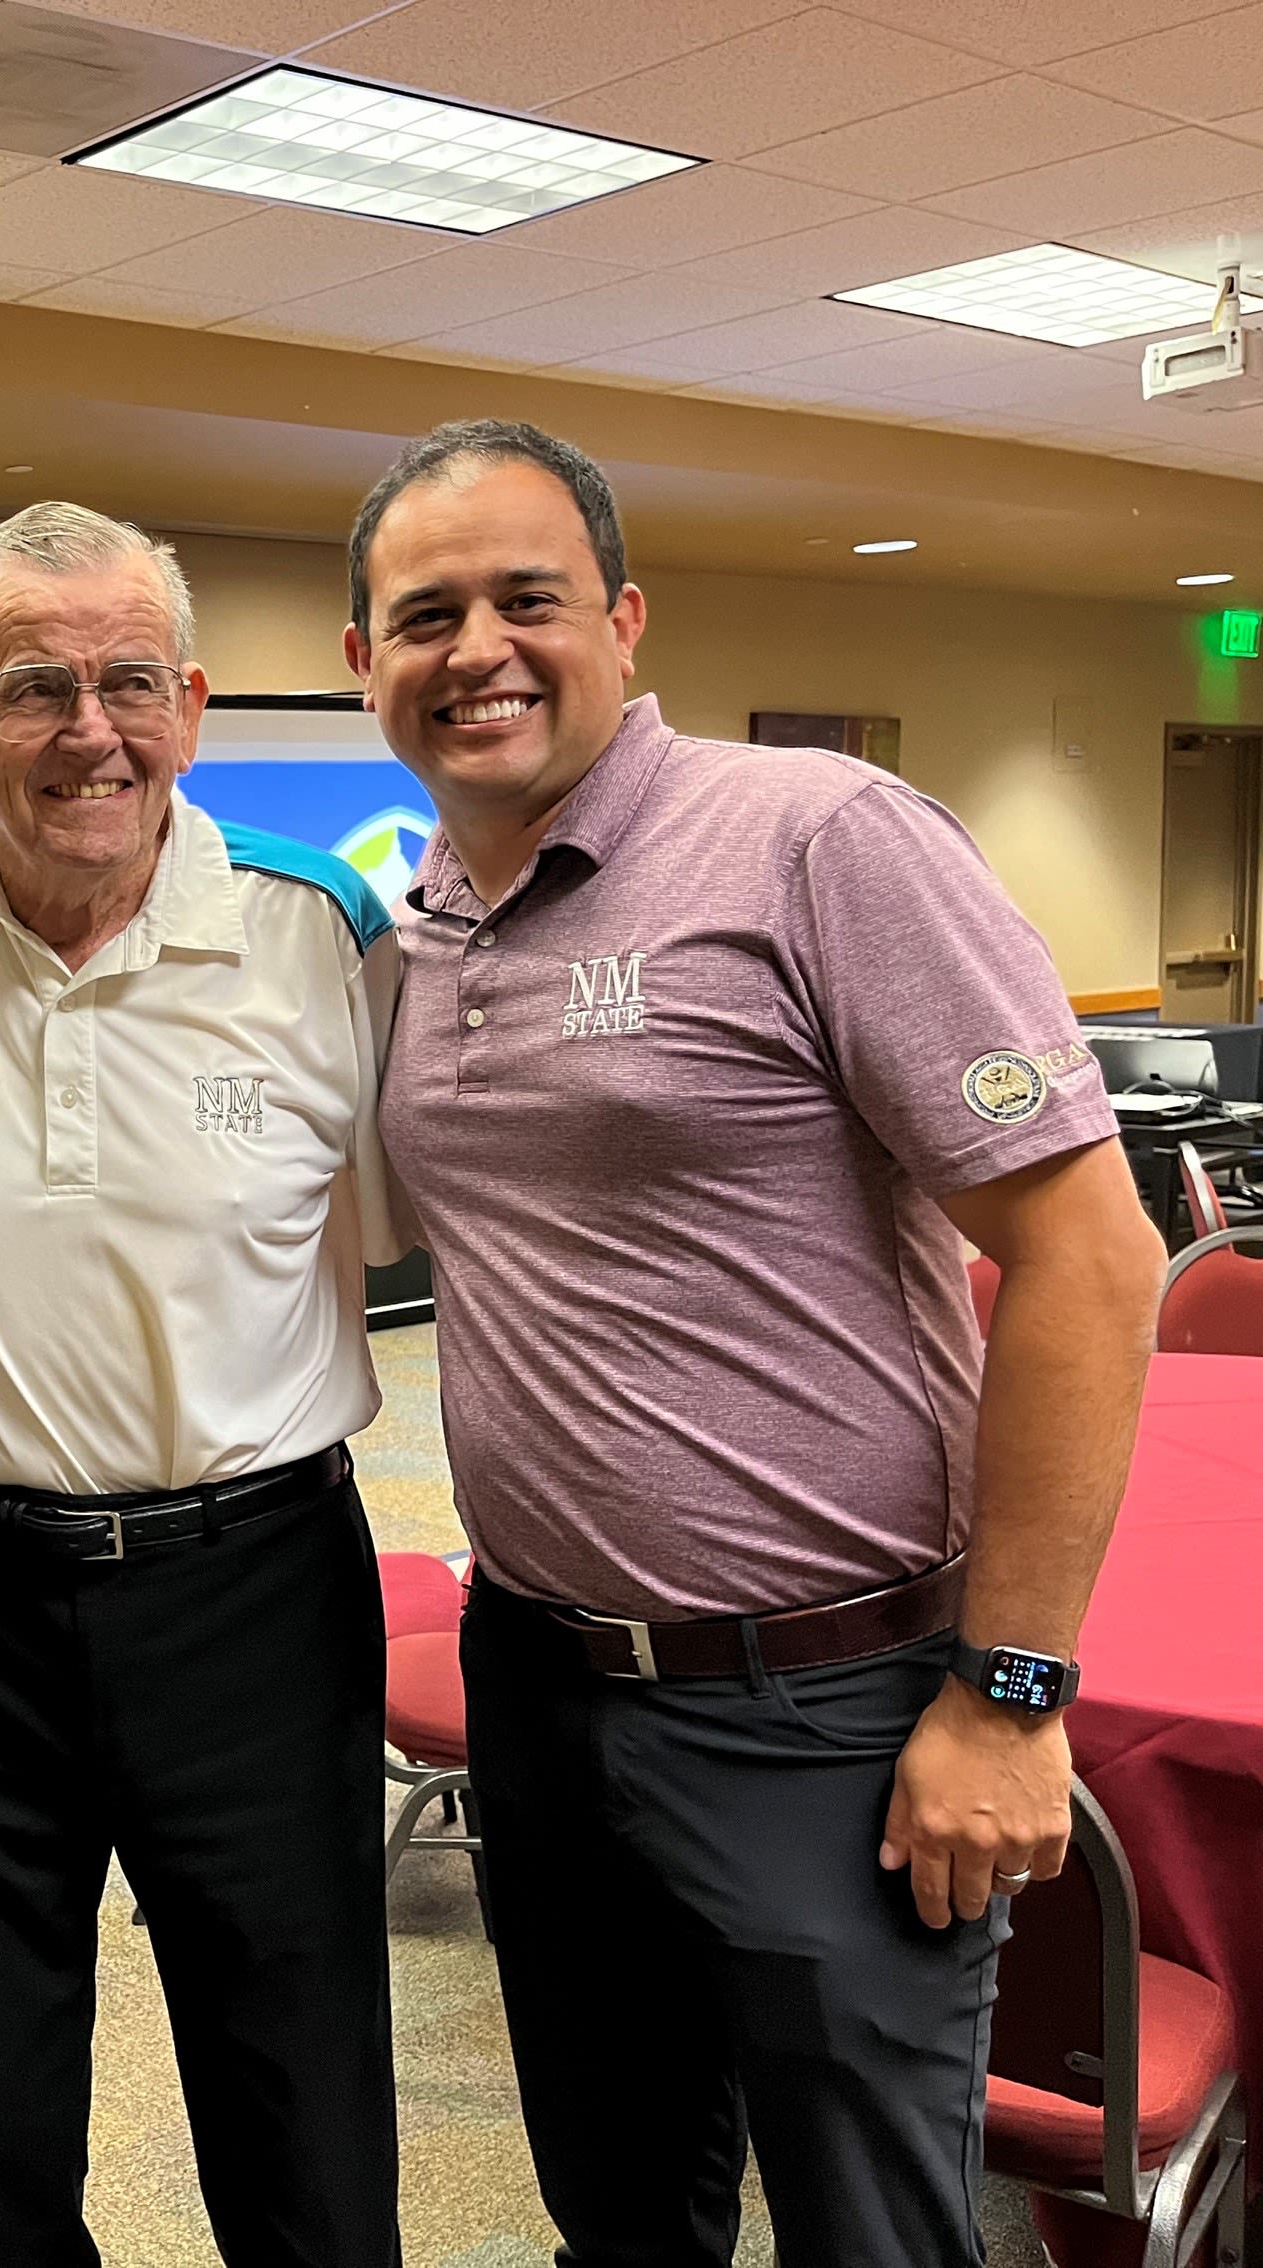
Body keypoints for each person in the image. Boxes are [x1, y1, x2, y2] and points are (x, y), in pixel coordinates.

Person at [345, 419, 1165, 2267]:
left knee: (874, 2234)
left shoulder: (821, 839)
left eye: (528, 598)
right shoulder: (432, 924)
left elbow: (1092, 1258)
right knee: (621, 2217)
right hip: (542, 1689)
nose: (476, 646)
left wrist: (1012, 1693)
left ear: (625, 622)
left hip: (829, 1713)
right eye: (426, 613)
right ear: (365, 665)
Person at [0, 501, 406, 2267]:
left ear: (195, 705)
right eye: (36, 687)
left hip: (259, 1589)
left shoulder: (327, 934)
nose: (92, 732)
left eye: (133, 682)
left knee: (296, 2085)